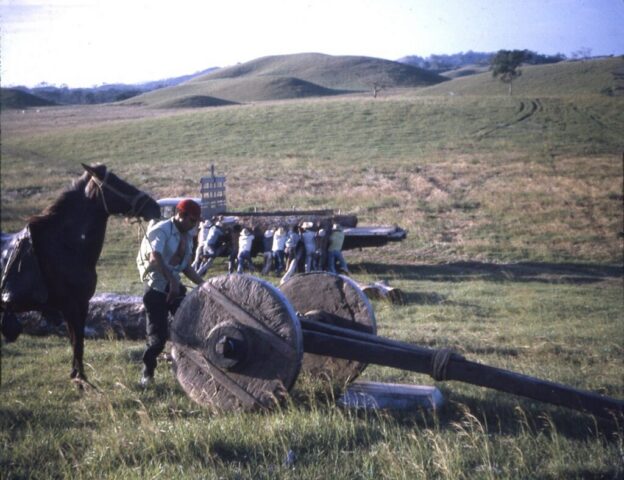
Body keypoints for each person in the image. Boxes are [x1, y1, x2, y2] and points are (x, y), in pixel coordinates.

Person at [136, 198, 204, 387]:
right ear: (180, 215)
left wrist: (205, 285)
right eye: (192, 220)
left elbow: (186, 267)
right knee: (157, 340)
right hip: (156, 289)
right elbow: (155, 257)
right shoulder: (161, 230)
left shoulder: (187, 234)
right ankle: (147, 373)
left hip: (175, 287)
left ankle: (191, 371)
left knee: (191, 328)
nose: (195, 224)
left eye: (197, 221)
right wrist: (172, 281)